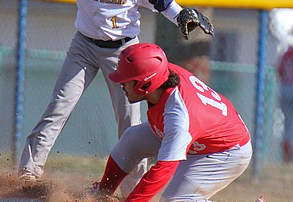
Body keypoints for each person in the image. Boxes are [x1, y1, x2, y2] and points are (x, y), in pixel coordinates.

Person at [8, 0, 214, 195]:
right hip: (82, 46)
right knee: (58, 107)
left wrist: (181, 16)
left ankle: (130, 191)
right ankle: (28, 174)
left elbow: (162, 1)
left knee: (130, 125)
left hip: (123, 53)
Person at [93, 43, 252, 201]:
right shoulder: (159, 74)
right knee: (131, 139)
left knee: (174, 200)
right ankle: (101, 194)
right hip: (199, 134)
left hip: (225, 151)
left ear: (145, 84)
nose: (121, 84)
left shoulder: (178, 116)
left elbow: (163, 170)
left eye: (126, 80)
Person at [278, 46, 293, 162]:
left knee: (287, 123)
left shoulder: (287, 52)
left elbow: (280, 71)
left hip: (285, 88)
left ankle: (286, 156)